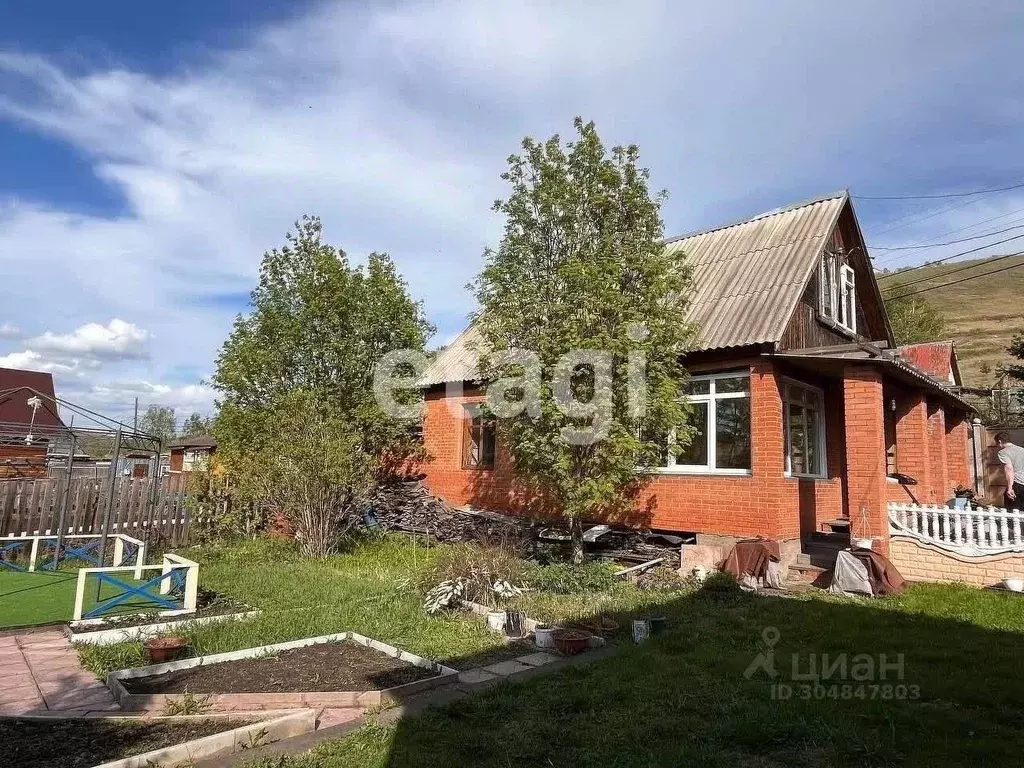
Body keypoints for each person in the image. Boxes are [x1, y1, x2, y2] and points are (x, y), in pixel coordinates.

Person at [995, 431, 1024, 511]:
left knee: (1012, 511)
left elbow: (1009, 468)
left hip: (1017, 483)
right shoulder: (1022, 450)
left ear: (999, 441)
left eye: (997, 444)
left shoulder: (1003, 452)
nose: (998, 446)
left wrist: (1010, 488)